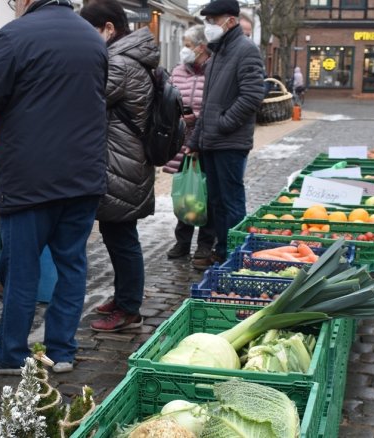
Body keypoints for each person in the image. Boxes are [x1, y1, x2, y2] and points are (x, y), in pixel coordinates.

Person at [0, 0, 108, 375]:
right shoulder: (91, 38)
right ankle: (62, 351)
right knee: (71, 264)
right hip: (83, 174)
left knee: (21, 269)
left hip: (31, 178)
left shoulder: (14, 35)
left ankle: (11, 354)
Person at [79, 0, 157, 333]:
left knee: (122, 237)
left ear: (109, 29)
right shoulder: (130, 57)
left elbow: (86, 100)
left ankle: (128, 308)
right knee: (117, 234)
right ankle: (124, 297)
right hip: (124, 160)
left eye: (90, 31)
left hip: (121, 163)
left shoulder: (120, 63)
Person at [189, 0, 265, 270]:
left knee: (231, 202)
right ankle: (222, 251)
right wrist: (196, 139)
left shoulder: (245, 51)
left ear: (230, 21)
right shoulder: (219, 52)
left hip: (229, 142)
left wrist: (223, 123)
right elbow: (208, 104)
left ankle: (235, 254)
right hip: (212, 141)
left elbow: (253, 95)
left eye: (213, 20)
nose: (209, 26)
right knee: (216, 202)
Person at [163, 25, 215, 262]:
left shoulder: (213, 70)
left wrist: (196, 119)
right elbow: (169, 98)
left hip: (206, 141)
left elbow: (213, 106)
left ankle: (205, 244)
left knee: (205, 193)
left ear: (201, 47)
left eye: (187, 45)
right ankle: (182, 241)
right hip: (182, 140)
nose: (184, 50)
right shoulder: (178, 72)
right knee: (185, 192)